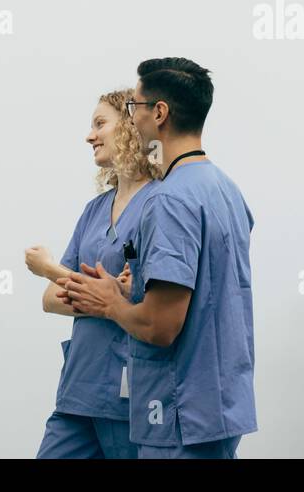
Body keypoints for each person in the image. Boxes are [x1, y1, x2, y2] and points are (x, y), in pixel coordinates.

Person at [61, 57, 255, 458]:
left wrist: (111, 302)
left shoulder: (169, 200)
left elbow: (161, 325)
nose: (131, 121)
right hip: (218, 407)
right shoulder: (226, 190)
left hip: (177, 412)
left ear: (159, 113)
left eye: (134, 108)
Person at [24, 89, 162, 459]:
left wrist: (51, 269)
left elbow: (152, 301)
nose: (90, 136)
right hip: (80, 391)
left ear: (133, 126)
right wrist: (107, 298)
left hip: (134, 394)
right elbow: (51, 299)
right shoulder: (94, 210)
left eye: (100, 124)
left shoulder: (162, 204)